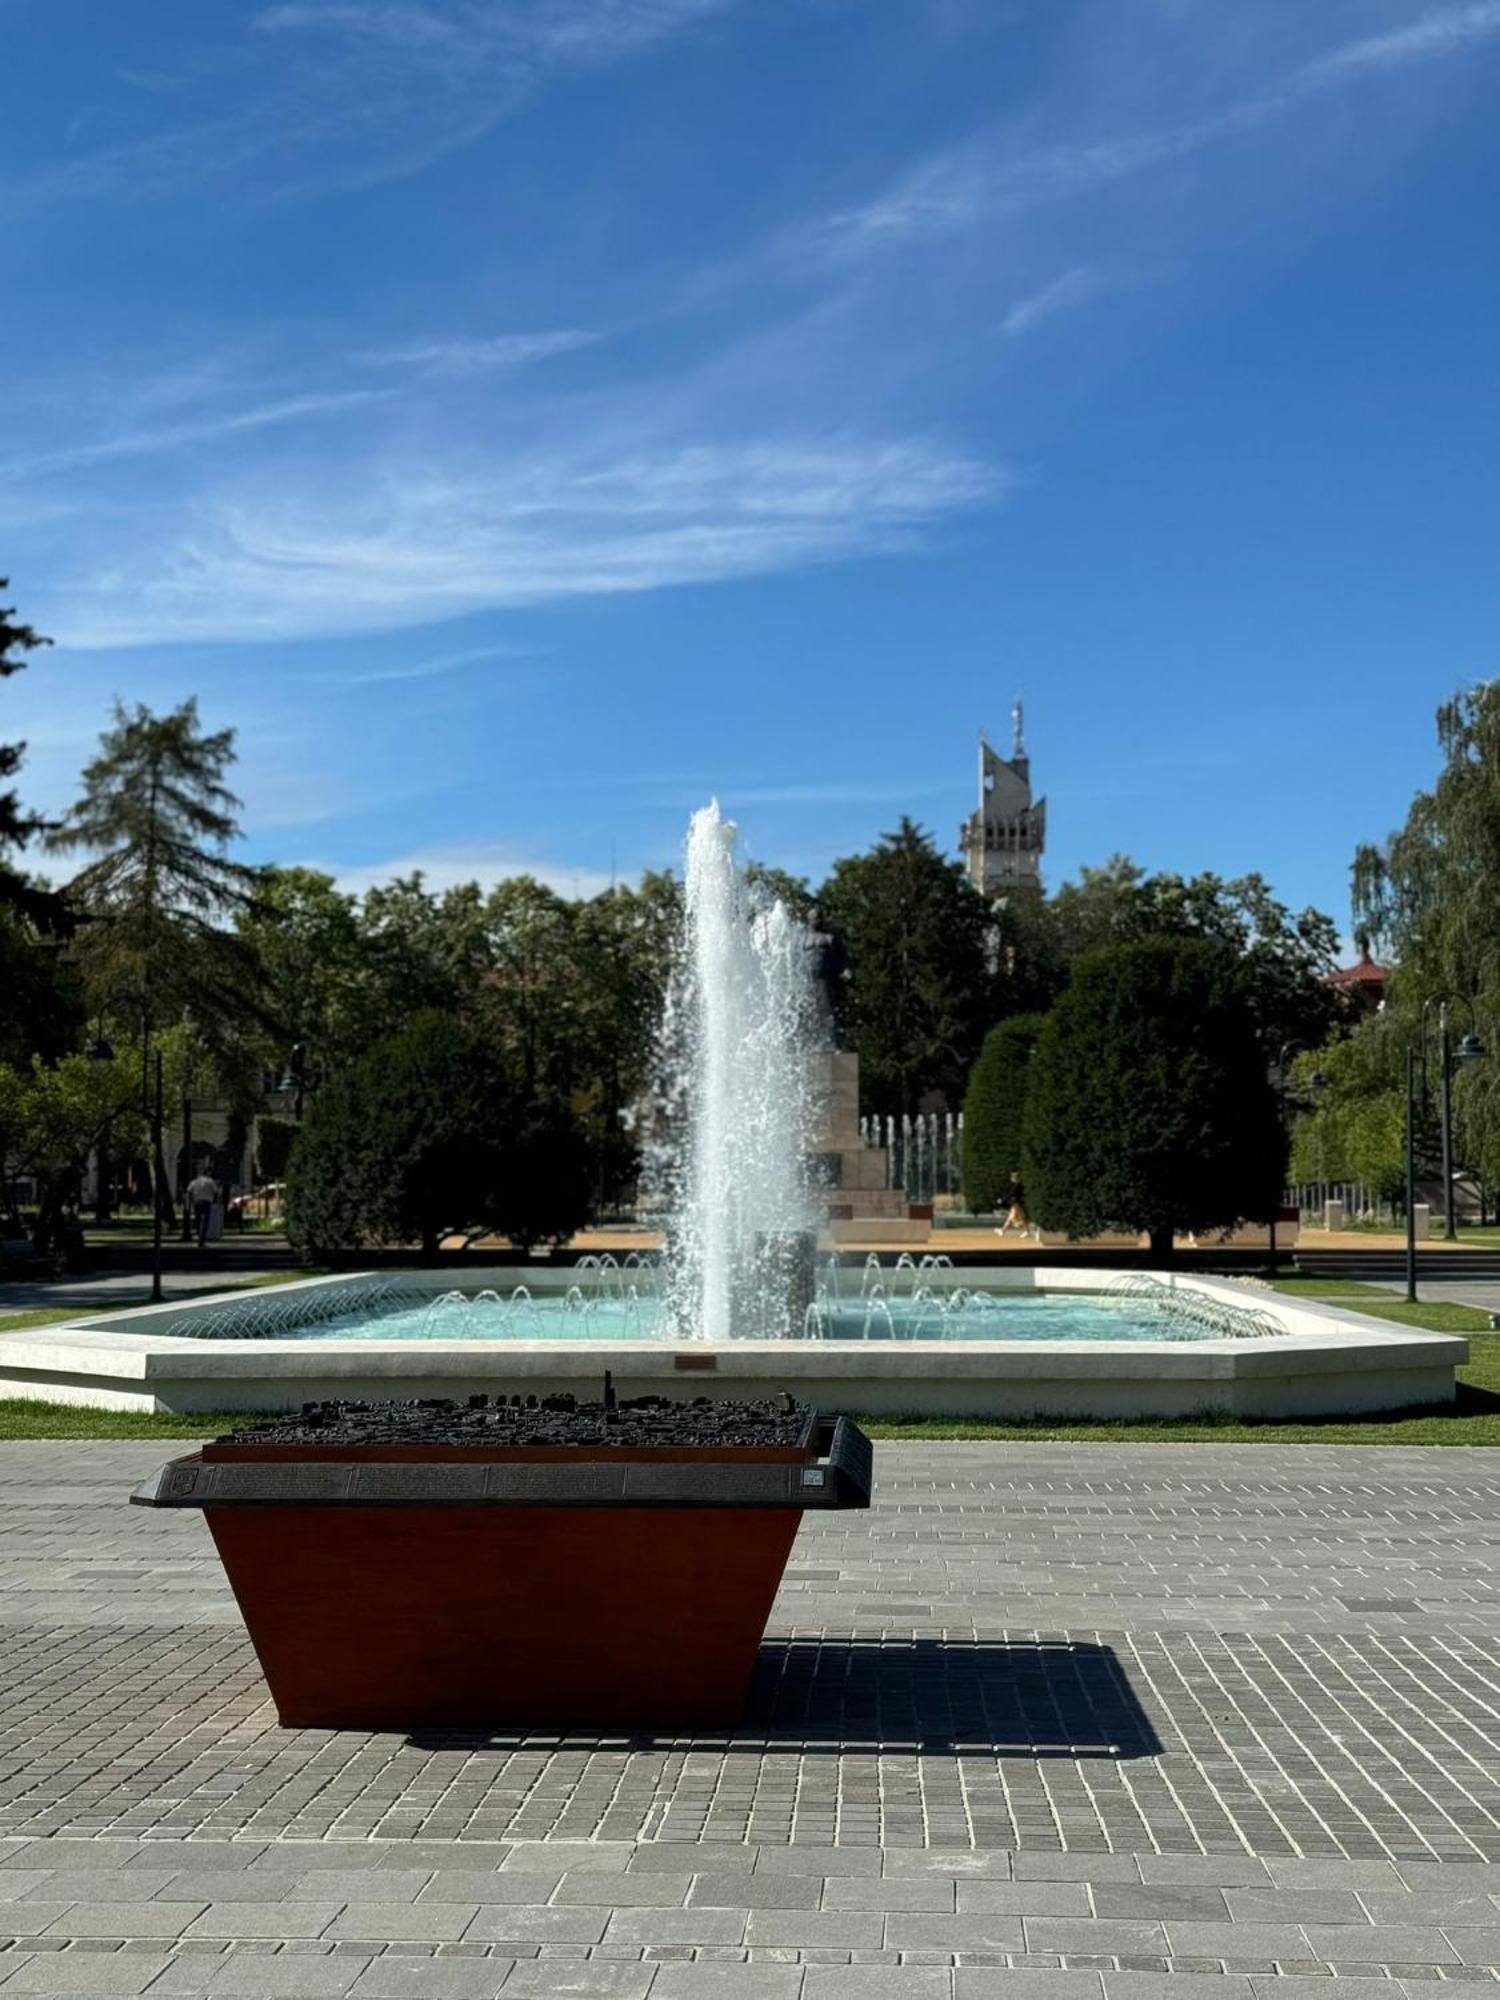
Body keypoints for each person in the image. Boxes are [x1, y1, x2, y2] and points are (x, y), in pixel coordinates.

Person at [185, 1166, 219, 1248]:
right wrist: (214, 1201)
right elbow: (216, 1192)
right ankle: (202, 1239)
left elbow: (188, 1191)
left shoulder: (194, 1181)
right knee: (205, 1222)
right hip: (207, 1202)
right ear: (207, 1173)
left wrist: (190, 1202)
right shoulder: (210, 1181)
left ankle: (198, 1234)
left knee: (198, 1220)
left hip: (197, 1202)